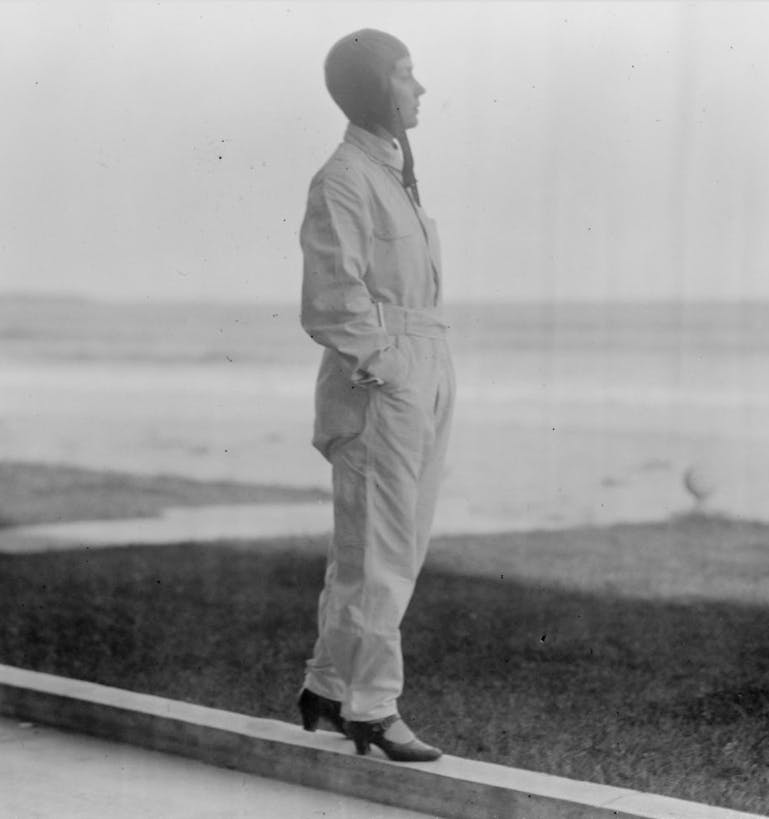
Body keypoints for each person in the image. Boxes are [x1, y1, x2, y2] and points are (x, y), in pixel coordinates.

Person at [295, 29, 454, 763]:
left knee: (387, 546)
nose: (419, 88)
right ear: (371, 88)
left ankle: (329, 687)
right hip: (382, 378)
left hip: (421, 361)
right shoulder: (344, 178)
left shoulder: (391, 172)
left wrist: (414, 367)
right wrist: (388, 367)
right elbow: (333, 300)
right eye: (404, 74)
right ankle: (372, 706)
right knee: (380, 553)